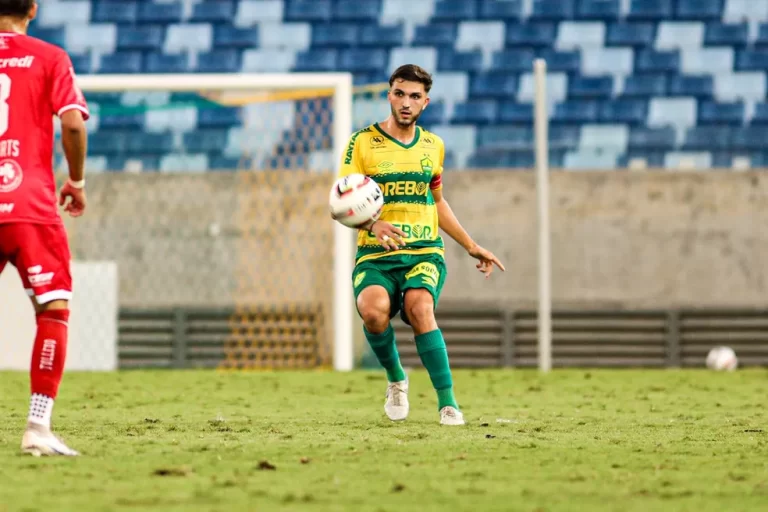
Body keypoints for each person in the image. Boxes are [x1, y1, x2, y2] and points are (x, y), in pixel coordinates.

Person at [338, 64, 505, 425]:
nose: (406, 102)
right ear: (389, 95)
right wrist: (371, 221)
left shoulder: (433, 145)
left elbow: (438, 202)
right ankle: (397, 378)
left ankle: (448, 403)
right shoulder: (362, 143)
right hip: (376, 254)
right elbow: (340, 202)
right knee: (372, 311)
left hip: (424, 251)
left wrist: (470, 245)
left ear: (425, 102)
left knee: (419, 307)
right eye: (400, 93)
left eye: (415, 96)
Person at [0, 0, 89, 456]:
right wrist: (75, 181)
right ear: (32, 9)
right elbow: (72, 123)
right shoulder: (50, 57)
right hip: (31, 204)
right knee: (53, 309)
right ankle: (37, 427)